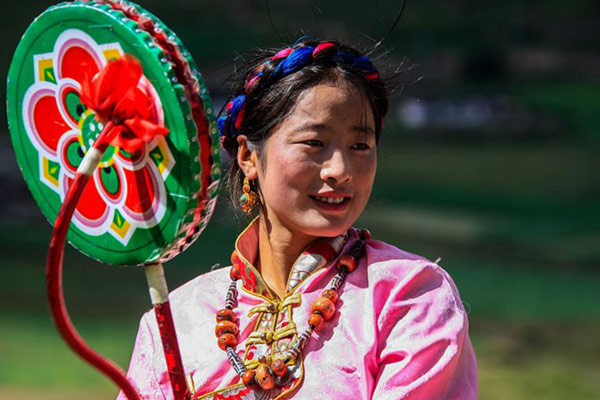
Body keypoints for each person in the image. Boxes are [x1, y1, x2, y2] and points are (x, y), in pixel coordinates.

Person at [118, 38, 478, 400]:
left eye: (360, 146)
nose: (340, 170)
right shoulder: (177, 321)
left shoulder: (408, 298)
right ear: (248, 156)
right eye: (314, 143)